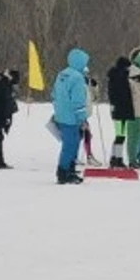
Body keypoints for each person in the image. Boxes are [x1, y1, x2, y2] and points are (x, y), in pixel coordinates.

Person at [51, 49, 90, 184]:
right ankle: (64, 172)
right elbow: (78, 101)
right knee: (71, 145)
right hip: (72, 118)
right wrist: (82, 118)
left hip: (61, 115)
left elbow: (54, 95)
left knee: (69, 144)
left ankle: (68, 170)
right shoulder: (77, 78)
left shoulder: (61, 74)